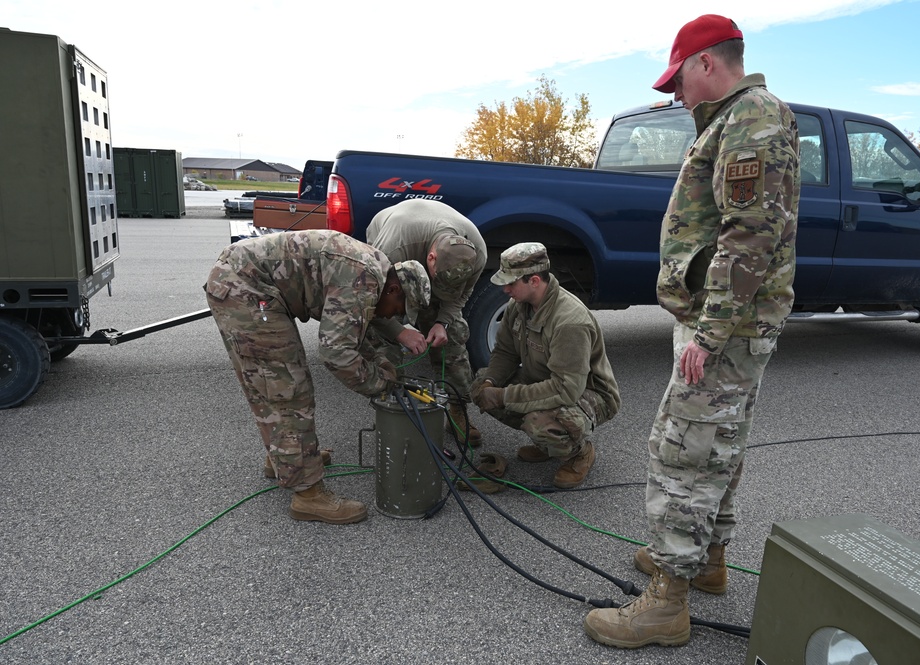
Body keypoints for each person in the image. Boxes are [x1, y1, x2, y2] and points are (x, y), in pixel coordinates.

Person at [584, 14, 799, 648]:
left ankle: (667, 603)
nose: (675, 96)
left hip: (724, 325)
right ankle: (704, 562)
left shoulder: (753, 120)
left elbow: (749, 237)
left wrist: (708, 335)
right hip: (720, 317)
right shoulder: (733, 120)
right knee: (715, 447)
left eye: (678, 81)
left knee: (684, 452)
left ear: (708, 62)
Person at [204, 230, 431, 525]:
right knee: (287, 388)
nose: (394, 317)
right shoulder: (362, 281)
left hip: (246, 279)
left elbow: (354, 335)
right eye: (399, 310)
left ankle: (288, 459)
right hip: (245, 288)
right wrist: (380, 384)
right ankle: (308, 495)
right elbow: (337, 353)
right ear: (393, 290)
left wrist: (381, 363)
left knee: (274, 381)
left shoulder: (375, 270)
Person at [469, 242, 620, 489]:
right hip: (545, 381)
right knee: (480, 384)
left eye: (511, 282)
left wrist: (503, 396)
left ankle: (579, 452)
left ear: (535, 281)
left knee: (539, 423)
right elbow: (505, 352)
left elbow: (566, 389)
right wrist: (490, 383)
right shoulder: (517, 307)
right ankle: (549, 446)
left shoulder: (569, 322)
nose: (505, 289)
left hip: (588, 394)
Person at [364, 199, 488, 447]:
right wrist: (401, 332)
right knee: (385, 342)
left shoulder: (478, 254)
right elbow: (371, 302)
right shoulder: (393, 248)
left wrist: (441, 322)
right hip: (394, 264)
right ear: (430, 258)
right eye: (437, 281)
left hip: (426, 255)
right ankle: (393, 410)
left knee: (454, 334)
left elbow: (461, 295)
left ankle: (457, 410)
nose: (437, 291)